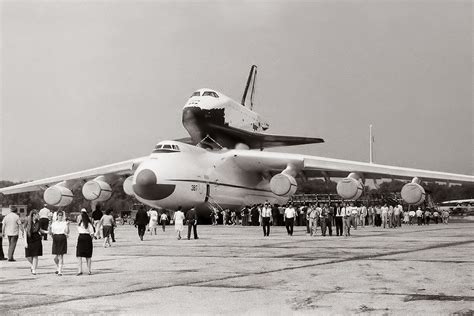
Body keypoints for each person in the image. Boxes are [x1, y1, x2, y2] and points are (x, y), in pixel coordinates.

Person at [24, 210, 48, 275]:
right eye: (38, 214)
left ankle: (34, 269)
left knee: (35, 255)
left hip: (37, 238)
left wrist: (47, 232)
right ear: (34, 215)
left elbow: (40, 230)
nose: (39, 216)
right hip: (29, 238)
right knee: (28, 255)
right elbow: (25, 231)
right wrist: (25, 242)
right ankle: (33, 265)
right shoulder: (27, 221)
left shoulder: (38, 222)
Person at [49, 210, 69, 276]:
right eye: (59, 215)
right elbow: (51, 232)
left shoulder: (64, 223)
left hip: (62, 237)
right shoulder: (54, 223)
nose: (60, 216)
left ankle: (60, 271)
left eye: (61, 215)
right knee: (56, 257)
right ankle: (58, 267)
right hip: (56, 238)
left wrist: (68, 225)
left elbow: (67, 232)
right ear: (57, 216)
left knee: (61, 256)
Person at [76, 209, 94, 276]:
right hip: (87, 238)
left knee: (79, 255)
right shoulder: (89, 224)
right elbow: (92, 233)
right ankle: (89, 270)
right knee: (88, 256)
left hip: (81, 238)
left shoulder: (79, 224)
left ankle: (79, 270)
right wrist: (90, 240)